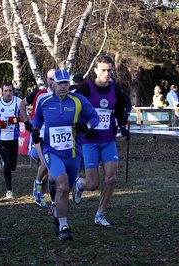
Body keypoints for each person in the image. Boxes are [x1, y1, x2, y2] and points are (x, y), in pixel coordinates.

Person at [32, 69, 99, 240]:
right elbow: (38, 119)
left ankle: (57, 212)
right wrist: (35, 131)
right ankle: (64, 226)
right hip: (51, 150)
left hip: (73, 152)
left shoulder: (78, 100)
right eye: (60, 83)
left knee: (66, 187)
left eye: (66, 83)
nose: (63, 86)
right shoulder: (44, 101)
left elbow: (94, 117)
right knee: (62, 184)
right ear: (52, 83)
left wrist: (87, 127)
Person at [73, 55, 131, 227]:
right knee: (93, 184)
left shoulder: (116, 89)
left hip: (108, 140)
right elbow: (73, 107)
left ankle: (100, 214)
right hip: (89, 141)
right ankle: (80, 184)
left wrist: (123, 126)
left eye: (109, 70)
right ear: (96, 70)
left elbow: (120, 110)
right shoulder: (85, 89)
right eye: (103, 70)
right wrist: (81, 127)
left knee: (111, 178)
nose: (107, 73)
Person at [20, 69, 56, 208]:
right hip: (38, 133)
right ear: (47, 80)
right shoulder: (39, 94)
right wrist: (26, 121)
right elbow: (22, 104)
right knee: (45, 163)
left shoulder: (63, 95)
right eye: (50, 79)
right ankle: (38, 187)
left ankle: (42, 194)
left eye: (55, 78)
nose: (53, 81)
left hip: (53, 134)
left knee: (49, 169)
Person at [0, 82, 22, 199]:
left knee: (13, 166)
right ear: (2, 92)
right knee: (7, 164)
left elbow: (24, 116)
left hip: (14, 136)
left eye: (10, 91)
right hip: (1, 137)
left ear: (13, 91)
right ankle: (9, 190)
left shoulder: (18, 101)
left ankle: (8, 164)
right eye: (5, 91)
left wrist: (16, 119)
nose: (8, 93)